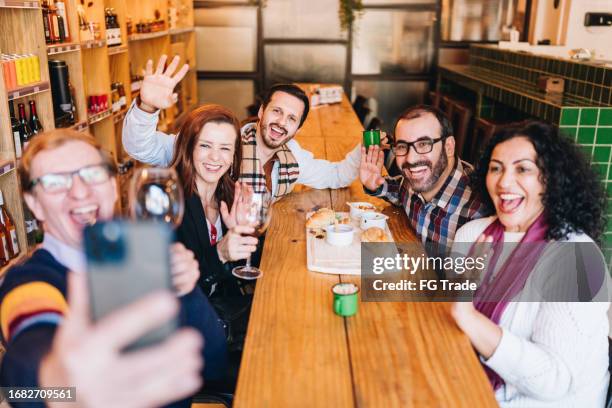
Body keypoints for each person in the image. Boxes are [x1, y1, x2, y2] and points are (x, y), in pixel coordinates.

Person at [0, 129, 227, 407]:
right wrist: (60, 386)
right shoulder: (28, 283)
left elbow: (214, 362)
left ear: (112, 185)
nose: (80, 192)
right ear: (34, 203)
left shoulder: (142, 262)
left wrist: (186, 291)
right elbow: (19, 389)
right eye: (54, 182)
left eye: (92, 174)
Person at [450, 121, 609, 406]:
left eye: (522, 169)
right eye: (496, 168)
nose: (504, 182)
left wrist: (469, 318)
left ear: (551, 180)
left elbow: (555, 381)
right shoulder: (472, 235)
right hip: (467, 381)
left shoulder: (576, 259)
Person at [122, 55, 367, 201]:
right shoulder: (223, 143)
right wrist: (147, 107)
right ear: (261, 112)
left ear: (297, 129)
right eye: (277, 111)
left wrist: (366, 147)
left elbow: (336, 176)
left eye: (291, 119)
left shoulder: (292, 158)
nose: (281, 123)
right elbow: (142, 148)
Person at [170, 104, 257, 349]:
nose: (215, 158)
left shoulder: (229, 194)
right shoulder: (167, 199)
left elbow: (240, 270)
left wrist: (242, 232)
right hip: (188, 332)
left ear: (234, 155)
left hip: (226, 312)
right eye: (205, 146)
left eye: (225, 149)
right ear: (189, 147)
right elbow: (168, 287)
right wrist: (220, 252)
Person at [360, 104, 485, 258]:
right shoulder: (414, 181)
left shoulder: (477, 212)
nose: (411, 159)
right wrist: (376, 185)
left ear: (449, 147)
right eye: (402, 146)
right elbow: (400, 191)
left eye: (424, 144)